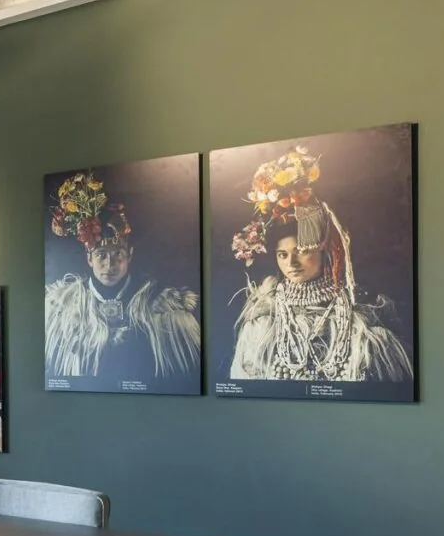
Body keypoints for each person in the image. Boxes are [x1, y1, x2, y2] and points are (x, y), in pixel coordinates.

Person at [225, 147, 412, 385]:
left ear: (325, 251)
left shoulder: (362, 316)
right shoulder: (263, 320)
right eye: (282, 255)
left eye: (301, 252)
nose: (291, 263)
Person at [43, 176, 199, 385]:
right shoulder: (63, 308)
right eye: (101, 255)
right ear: (89, 258)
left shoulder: (163, 309)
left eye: (118, 254)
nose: (110, 265)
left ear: (130, 255)